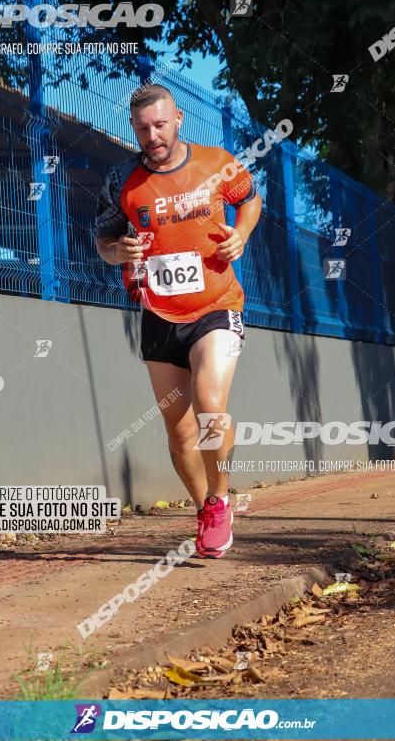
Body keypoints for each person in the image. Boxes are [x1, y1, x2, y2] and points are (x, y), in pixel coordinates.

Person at [95, 84, 262, 558]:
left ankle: (220, 495)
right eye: (143, 128)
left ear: (179, 119)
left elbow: (250, 198)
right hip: (158, 315)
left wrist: (241, 235)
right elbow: (104, 240)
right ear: (134, 128)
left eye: (161, 124)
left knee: (209, 402)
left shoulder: (216, 163)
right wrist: (117, 251)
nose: (153, 135)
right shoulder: (121, 180)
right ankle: (206, 507)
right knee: (180, 431)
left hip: (216, 305)